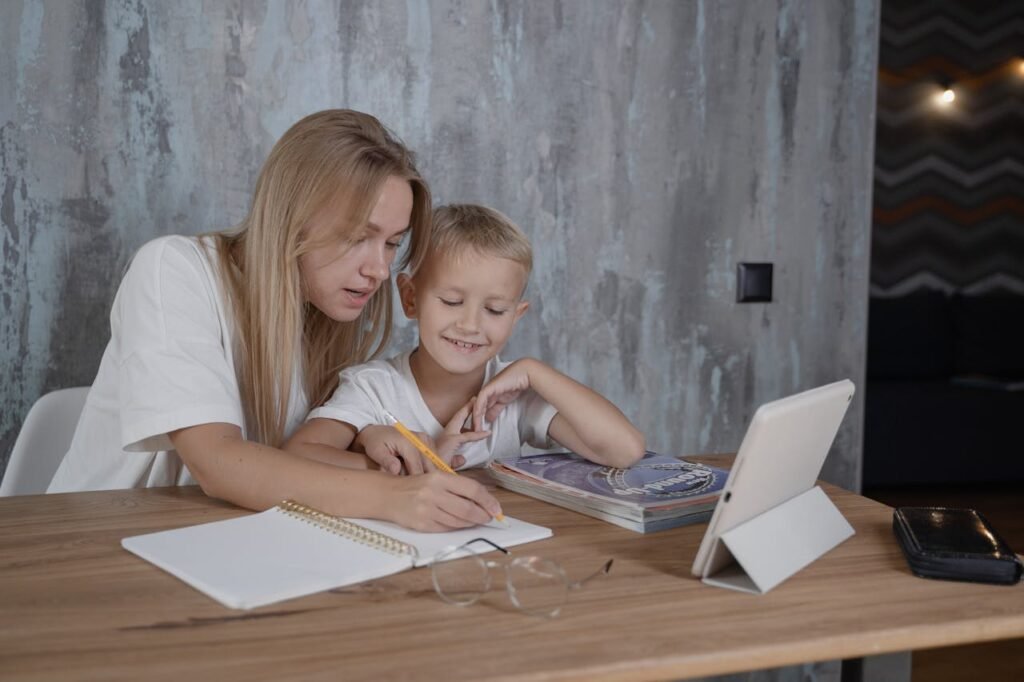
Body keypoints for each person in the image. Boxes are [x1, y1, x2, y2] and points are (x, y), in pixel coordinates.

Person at [47, 110, 503, 532]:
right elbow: (219, 464)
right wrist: (396, 495)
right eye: (358, 236)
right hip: (99, 538)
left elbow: (291, 461)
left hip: (226, 541)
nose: (380, 270)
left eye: (391, 243)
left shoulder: (324, 312)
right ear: (292, 218)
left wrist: (367, 441)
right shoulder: (174, 269)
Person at [283, 204, 646, 475]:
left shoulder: (513, 400)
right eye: (452, 302)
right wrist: (390, 460)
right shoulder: (374, 389)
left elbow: (625, 450)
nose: (471, 324)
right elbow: (298, 455)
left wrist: (534, 371)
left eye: (495, 310)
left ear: (516, 316)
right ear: (411, 298)